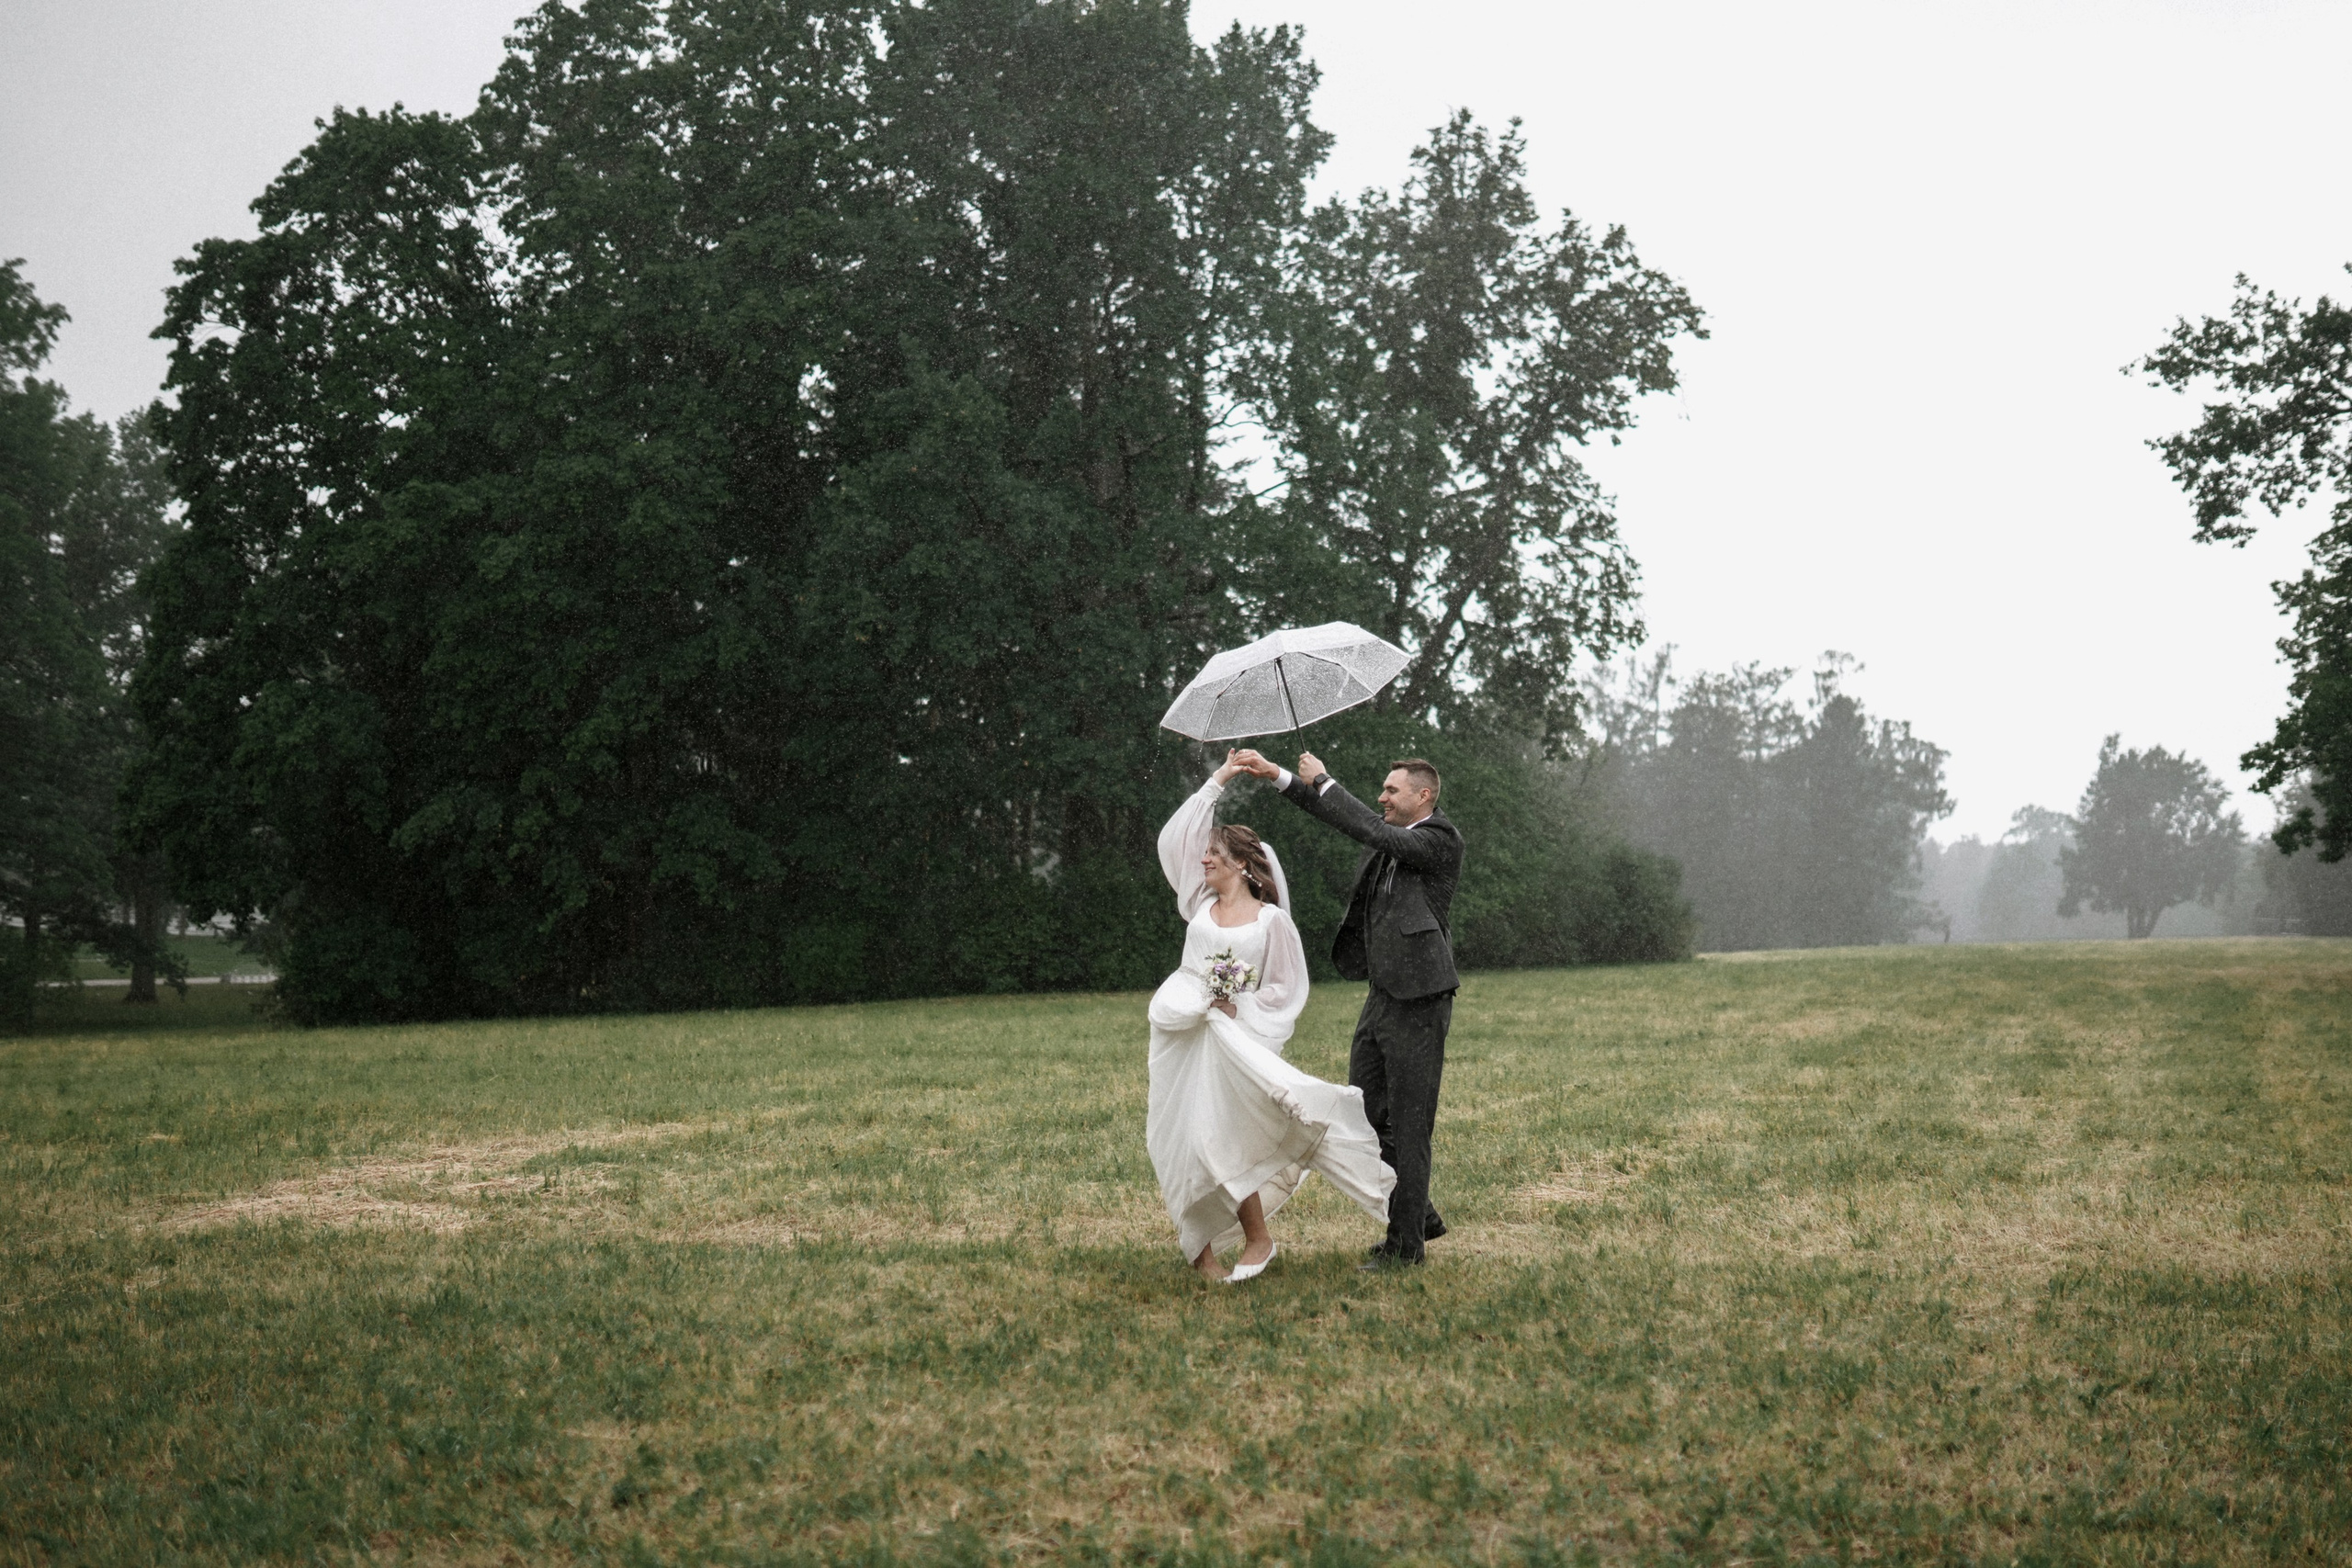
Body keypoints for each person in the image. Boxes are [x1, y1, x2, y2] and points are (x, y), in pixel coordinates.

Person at [1146, 750, 1396, 1282]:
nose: (1203, 861)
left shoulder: (1271, 922)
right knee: (1181, 1141)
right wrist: (1219, 780)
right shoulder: (1197, 903)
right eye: (1205, 854)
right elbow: (1175, 840)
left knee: (1222, 1142)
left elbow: (1286, 988)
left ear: (1242, 863)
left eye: (1215, 854)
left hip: (1238, 1043)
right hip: (1185, 1035)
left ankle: (1257, 1239)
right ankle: (1202, 1253)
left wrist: (1239, 1002)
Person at [1234, 749, 1464, 1268]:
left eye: (1392, 790)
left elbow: (1370, 828)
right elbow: (1347, 819)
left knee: (1410, 1125)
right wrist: (1281, 777)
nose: (1382, 797)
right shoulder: (1391, 834)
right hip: (1382, 995)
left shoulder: (1439, 839)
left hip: (1421, 999)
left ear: (1424, 795)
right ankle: (1418, 1214)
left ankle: (1406, 1247)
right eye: (1382, 790)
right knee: (1365, 1115)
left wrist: (1326, 780)